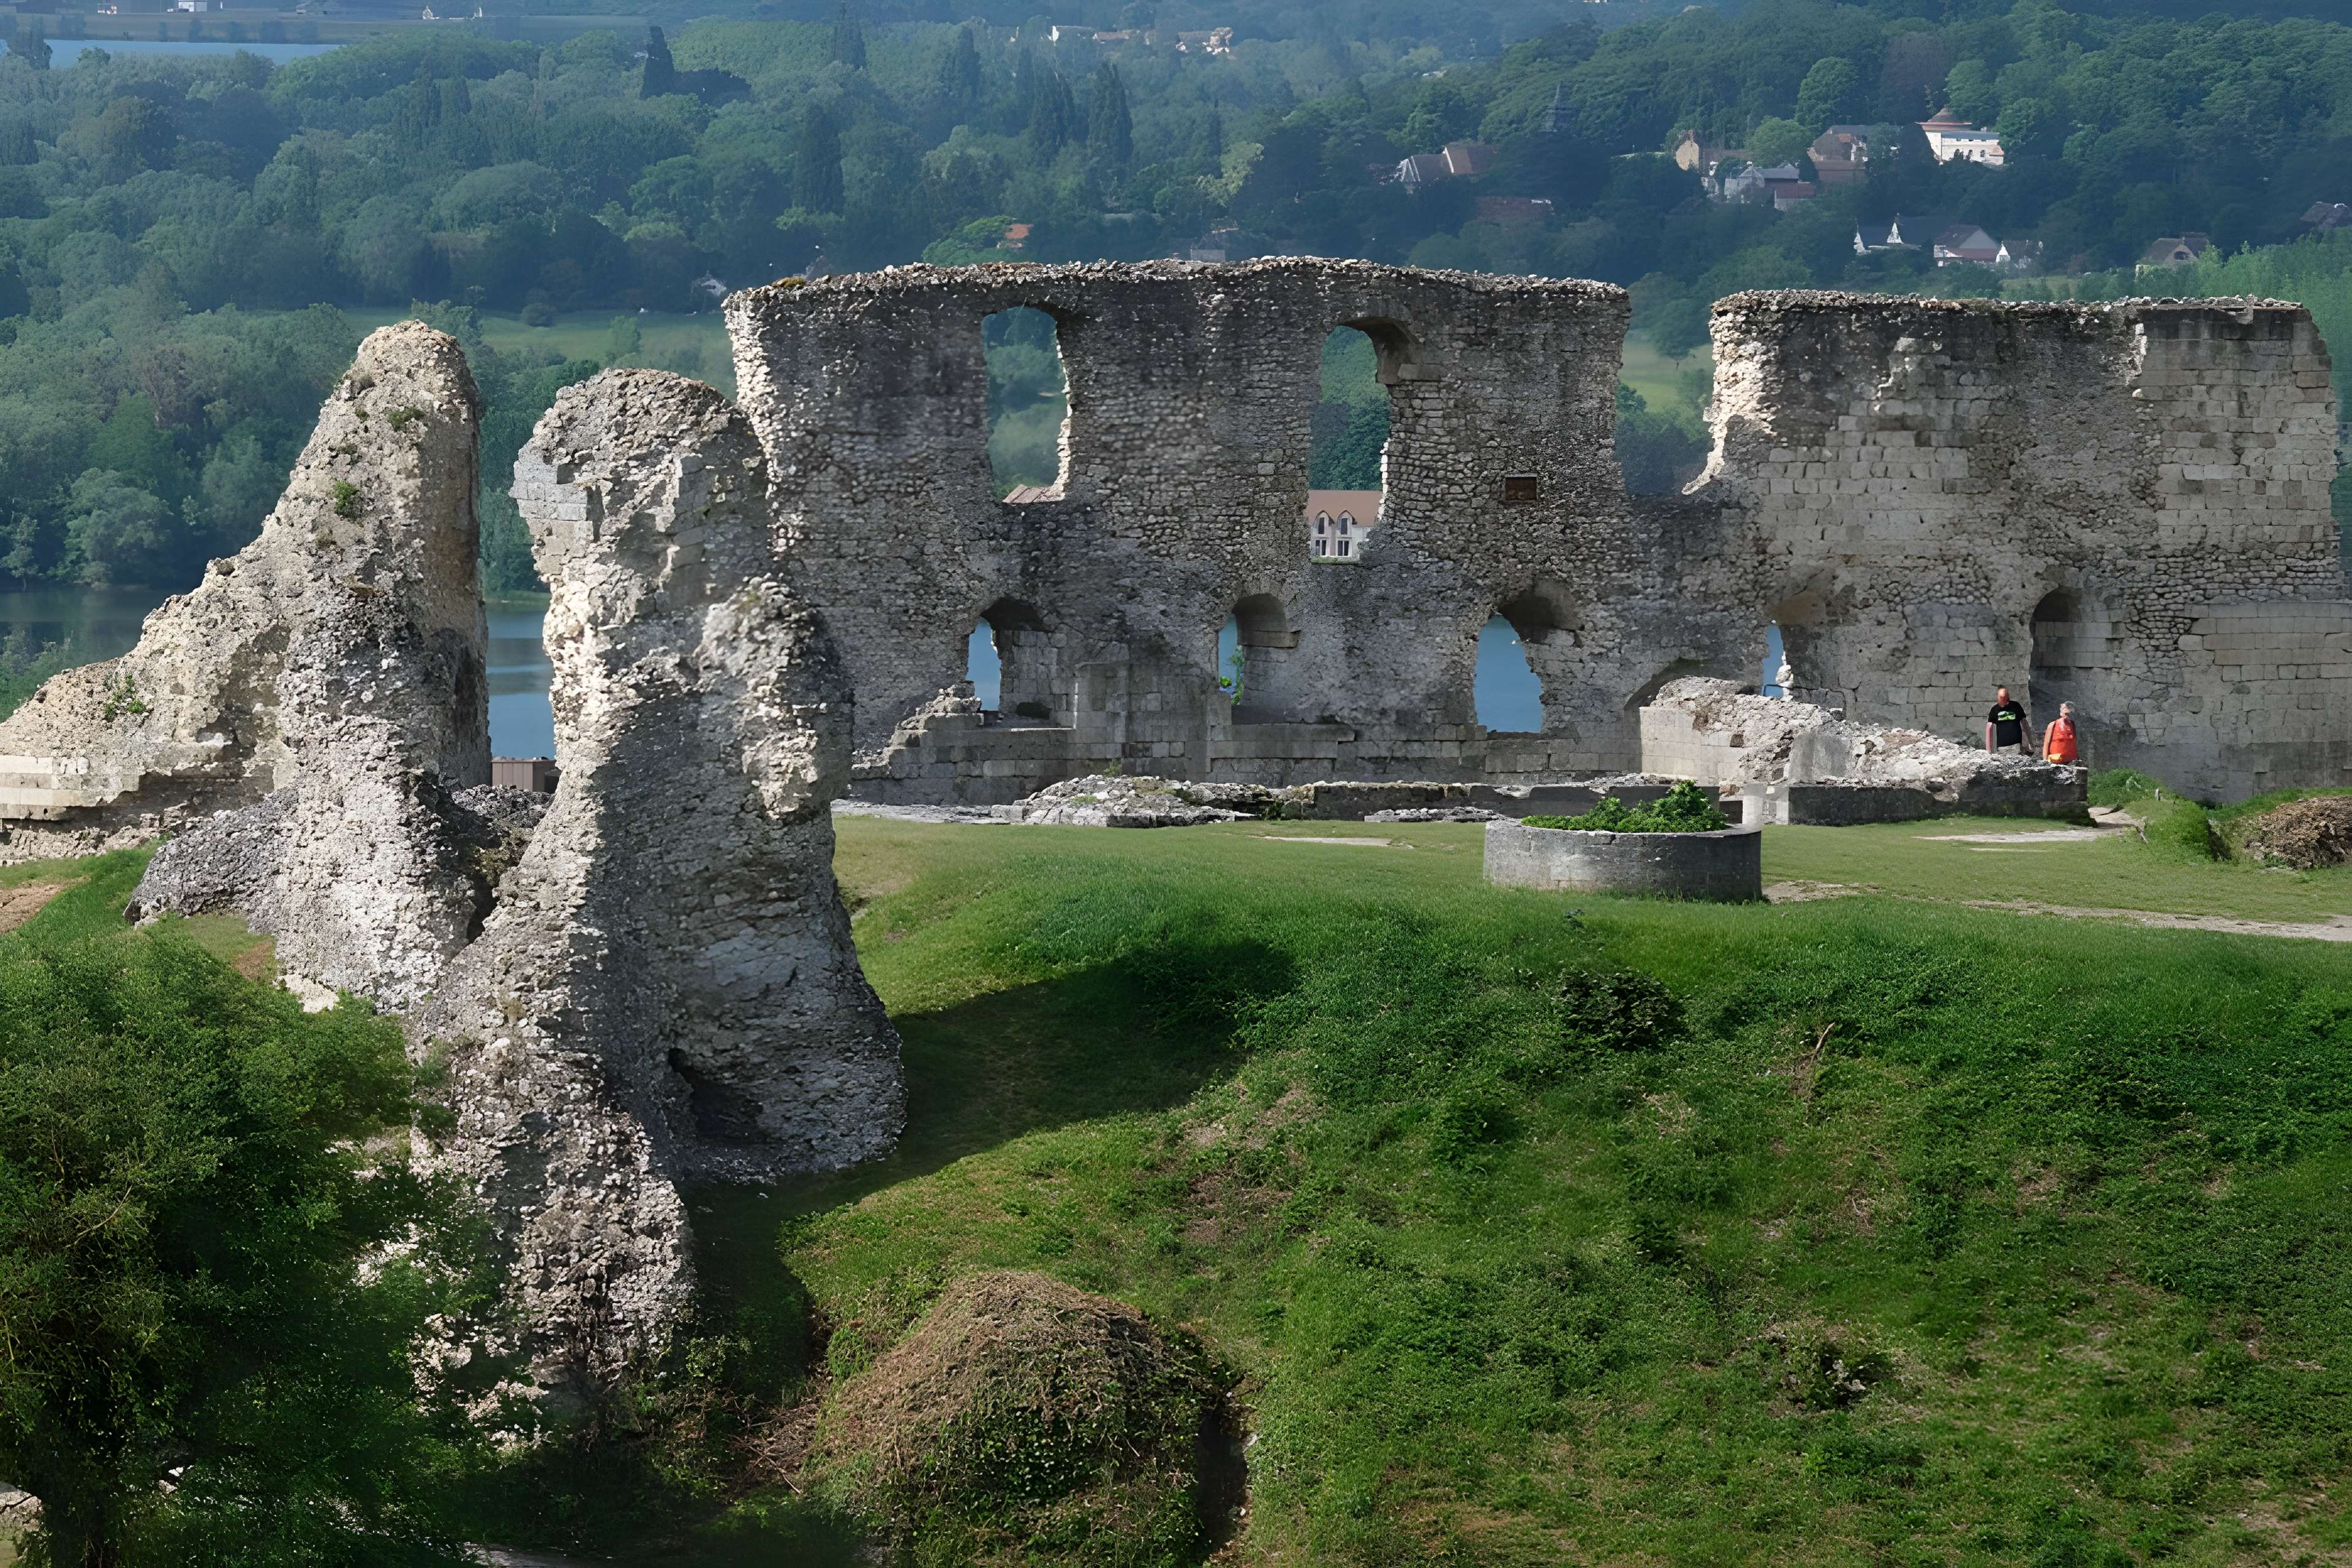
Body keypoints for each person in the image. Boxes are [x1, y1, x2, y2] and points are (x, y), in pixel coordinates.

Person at [1984, 686, 2030, 755]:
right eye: (2001, 697)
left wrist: (2027, 744)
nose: (2003, 698)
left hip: (2016, 745)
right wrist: (1990, 749)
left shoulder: (2016, 706)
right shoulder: (1995, 709)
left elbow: (2024, 724)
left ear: (2008, 696)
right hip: (2001, 747)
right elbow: (1990, 728)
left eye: (2004, 696)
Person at [2042, 700, 2079, 764]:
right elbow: (2047, 743)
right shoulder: (2053, 724)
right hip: (2056, 761)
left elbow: (2074, 743)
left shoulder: (2072, 725)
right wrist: (2045, 760)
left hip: (2071, 761)